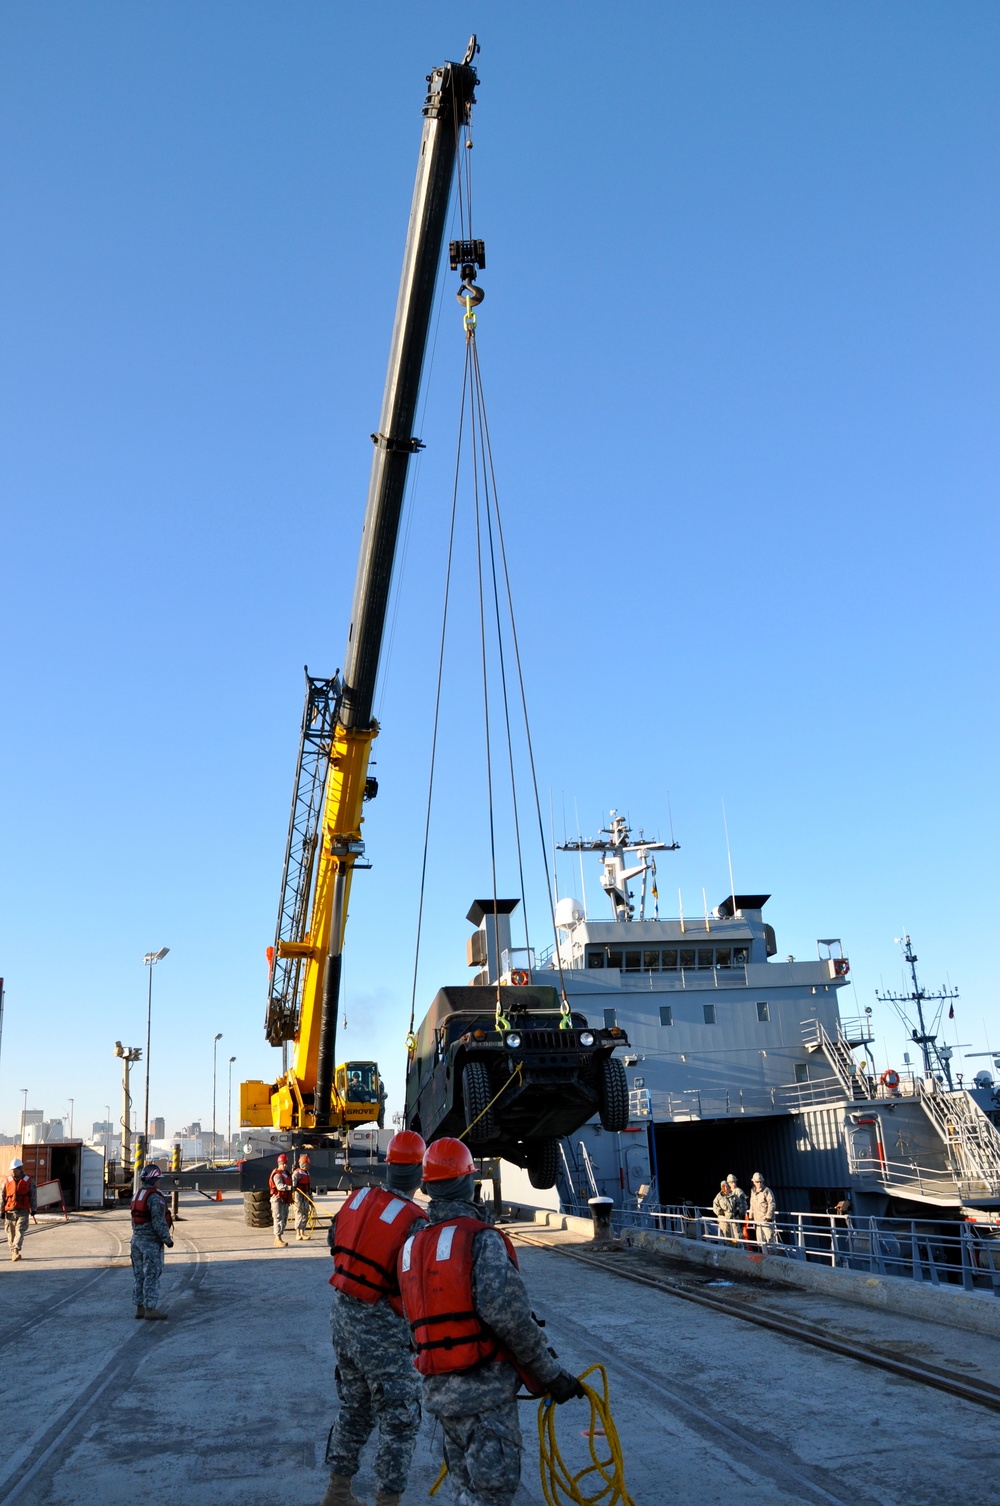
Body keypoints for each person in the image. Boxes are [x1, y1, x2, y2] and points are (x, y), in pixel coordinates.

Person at [398, 1136, 583, 1506]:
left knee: (464, 1488)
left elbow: (411, 1323)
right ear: (470, 1183)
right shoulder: (479, 1240)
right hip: (483, 1397)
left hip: (439, 1393)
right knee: (492, 1493)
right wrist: (551, 1375)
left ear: (428, 1186)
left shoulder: (412, 1246)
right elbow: (511, 1319)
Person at [320, 1130, 429, 1506]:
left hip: (343, 1318)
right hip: (382, 1329)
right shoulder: (416, 1221)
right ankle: (387, 1501)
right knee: (399, 1419)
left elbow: (334, 1238)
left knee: (355, 1406)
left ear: (388, 1166)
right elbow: (416, 1283)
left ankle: (337, 1492)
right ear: (420, 1173)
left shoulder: (358, 1197)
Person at [130, 1163, 174, 1319]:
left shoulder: (137, 1195)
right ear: (154, 1179)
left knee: (138, 1275)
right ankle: (150, 1309)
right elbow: (158, 1221)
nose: (159, 1182)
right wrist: (167, 1239)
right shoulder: (154, 1198)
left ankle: (139, 1308)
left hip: (135, 1240)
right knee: (151, 1275)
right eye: (158, 1179)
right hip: (150, 1243)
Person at [4, 1158, 37, 1262]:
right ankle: (13, 1252)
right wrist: (1, 1210)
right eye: (12, 1170)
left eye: (15, 1170)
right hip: (10, 1211)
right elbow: (2, 1195)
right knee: (10, 1233)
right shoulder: (7, 1181)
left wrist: (34, 1208)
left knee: (20, 1230)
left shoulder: (29, 1181)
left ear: (20, 1169)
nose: (13, 1172)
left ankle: (16, 1250)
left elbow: (33, 1195)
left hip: (23, 1211)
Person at [269, 1153, 293, 1248]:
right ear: (279, 1163)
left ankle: (280, 1237)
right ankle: (277, 1238)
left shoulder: (286, 1173)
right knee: (278, 1218)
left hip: (285, 1199)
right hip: (277, 1199)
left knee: (284, 1218)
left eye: (286, 1163)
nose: (285, 1165)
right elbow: (279, 1186)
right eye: (283, 1163)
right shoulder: (277, 1175)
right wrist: (290, 1188)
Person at [749, 1172, 777, 1249]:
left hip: (766, 1222)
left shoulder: (767, 1191)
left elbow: (772, 1204)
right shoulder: (753, 1192)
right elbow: (752, 1204)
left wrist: (768, 1217)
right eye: (757, 1182)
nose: (759, 1183)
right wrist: (750, 1216)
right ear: (754, 1182)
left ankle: (772, 1258)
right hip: (757, 1222)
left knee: (769, 1242)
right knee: (760, 1243)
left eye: (761, 1181)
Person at [292, 1153, 312, 1241]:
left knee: (305, 1214)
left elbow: (309, 1186)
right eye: (306, 1164)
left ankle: (303, 1232)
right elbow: (293, 1187)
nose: (307, 1166)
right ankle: (298, 1233)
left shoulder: (307, 1173)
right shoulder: (296, 1173)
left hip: (306, 1195)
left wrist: (311, 1199)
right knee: (299, 1213)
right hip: (298, 1195)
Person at [725, 1174, 747, 1242]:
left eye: (734, 1182)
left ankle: (742, 1249)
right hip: (728, 1218)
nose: (733, 1184)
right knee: (730, 1237)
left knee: (738, 1236)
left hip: (737, 1218)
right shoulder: (727, 1192)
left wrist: (739, 1213)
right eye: (731, 1182)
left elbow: (744, 1205)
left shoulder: (738, 1191)